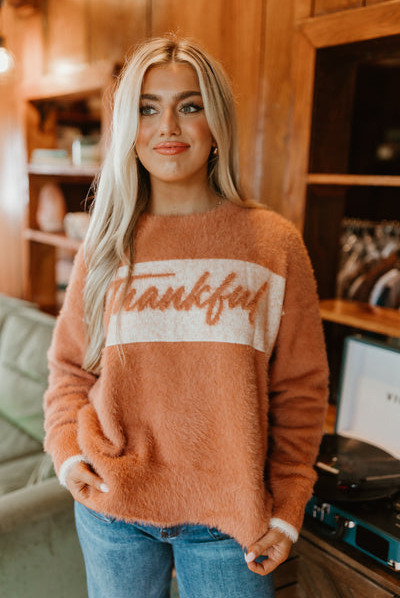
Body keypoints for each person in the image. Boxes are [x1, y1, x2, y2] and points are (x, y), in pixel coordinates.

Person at [43, 35, 329, 598]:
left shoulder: (272, 245)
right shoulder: (106, 243)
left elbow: (301, 390)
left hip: (228, 522)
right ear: (129, 126)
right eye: (148, 108)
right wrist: (68, 454)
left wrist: (288, 505)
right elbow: (70, 371)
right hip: (113, 511)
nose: (167, 125)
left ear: (216, 122)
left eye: (189, 105)